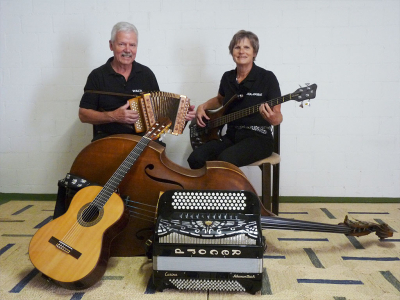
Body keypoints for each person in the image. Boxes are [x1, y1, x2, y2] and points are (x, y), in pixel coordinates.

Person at [79, 21, 195, 141]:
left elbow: (159, 117)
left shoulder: (146, 74)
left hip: (142, 141)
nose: (128, 50)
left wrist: (180, 117)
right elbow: (83, 115)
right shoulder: (97, 76)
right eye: (122, 44)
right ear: (111, 45)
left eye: (132, 45)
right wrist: (113, 116)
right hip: (108, 140)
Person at [187, 30, 283, 169]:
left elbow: (277, 114)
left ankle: (232, 191)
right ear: (232, 52)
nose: (241, 51)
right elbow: (220, 100)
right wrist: (203, 106)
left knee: (225, 160)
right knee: (196, 158)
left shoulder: (267, 78)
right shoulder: (227, 77)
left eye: (247, 47)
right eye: (237, 47)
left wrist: (274, 119)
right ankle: (211, 191)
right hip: (232, 135)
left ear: (254, 53)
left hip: (259, 138)